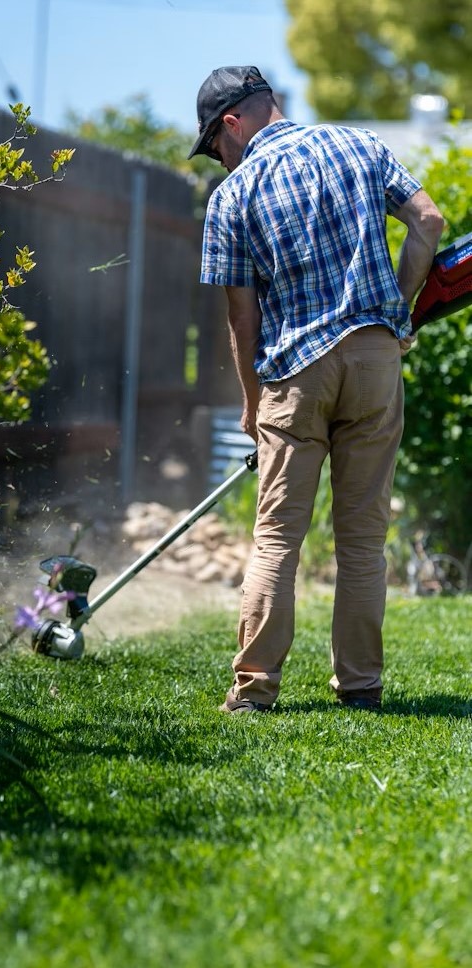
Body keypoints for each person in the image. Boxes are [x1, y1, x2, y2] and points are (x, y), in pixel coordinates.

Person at [189, 65, 445, 713]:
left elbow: (241, 321)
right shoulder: (360, 144)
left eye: (216, 148)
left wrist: (252, 407)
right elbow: (429, 221)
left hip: (296, 372)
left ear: (232, 124)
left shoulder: (233, 196)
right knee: (363, 536)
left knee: (278, 537)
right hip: (374, 359)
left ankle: (254, 692)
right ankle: (360, 688)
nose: (221, 161)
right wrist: (399, 315)